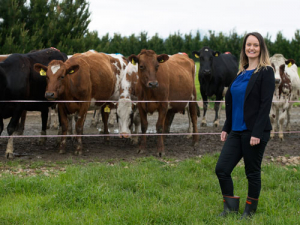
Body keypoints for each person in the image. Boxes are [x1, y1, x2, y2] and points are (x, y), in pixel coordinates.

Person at [215, 32, 275, 219]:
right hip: (236, 131)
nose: (252, 48)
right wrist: (226, 127)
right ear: (244, 48)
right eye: (248, 44)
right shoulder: (241, 72)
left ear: (261, 48)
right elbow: (234, 103)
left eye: (256, 45)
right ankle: (230, 208)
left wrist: (257, 133)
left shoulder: (266, 71)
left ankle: (249, 212)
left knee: (252, 172)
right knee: (222, 169)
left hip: (255, 132)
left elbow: (265, 104)